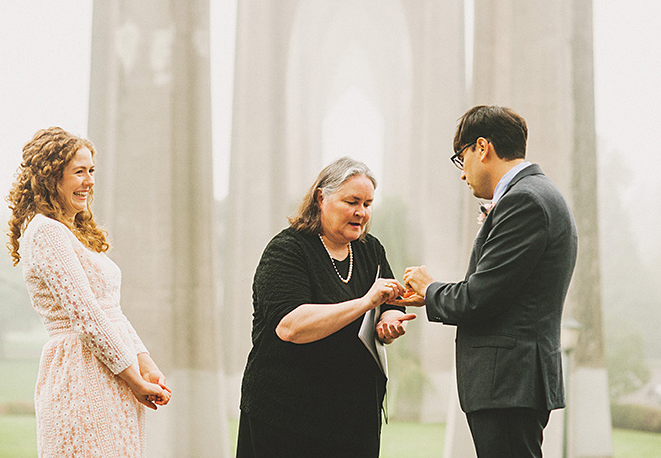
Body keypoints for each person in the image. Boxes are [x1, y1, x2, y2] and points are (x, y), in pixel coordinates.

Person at [398, 105, 578, 458]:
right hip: (514, 383)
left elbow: (478, 299)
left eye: (460, 158)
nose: (462, 175)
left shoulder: (524, 201)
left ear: (482, 148)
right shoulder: (535, 195)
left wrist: (429, 287)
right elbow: (502, 290)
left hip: (508, 382)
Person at [7, 127, 171, 457]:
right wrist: (135, 380)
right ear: (52, 177)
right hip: (81, 373)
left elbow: (111, 311)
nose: (89, 181)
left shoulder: (72, 232)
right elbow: (87, 316)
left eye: (91, 171)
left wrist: (145, 364)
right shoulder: (46, 233)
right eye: (79, 172)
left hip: (112, 369)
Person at [236, 157, 416, 458]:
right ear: (322, 197)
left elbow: (389, 301)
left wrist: (392, 321)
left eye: (368, 204)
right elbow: (290, 326)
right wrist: (364, 303)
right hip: (287, 417)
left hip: (354, 417)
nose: (361, 212)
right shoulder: (287, 250)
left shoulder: (371, 249)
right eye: (352, 201)